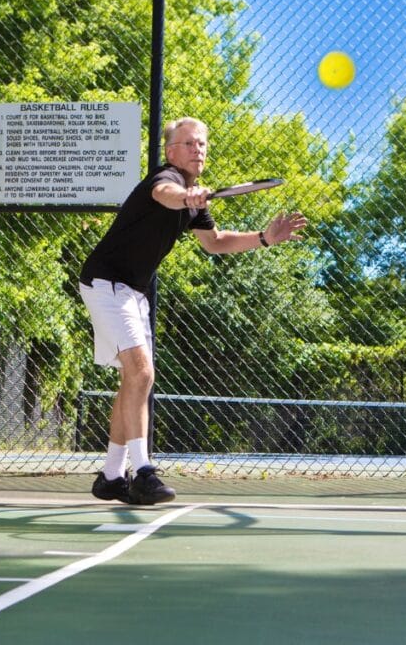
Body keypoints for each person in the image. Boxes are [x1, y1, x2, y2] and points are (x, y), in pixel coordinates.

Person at [78, 117, 307, 505]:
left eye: (201, 144)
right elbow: (164, 194)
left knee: (132, 380)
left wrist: (265, 238)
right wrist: (186, 196)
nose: (197, 149)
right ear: (171, 151)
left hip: (131, 292)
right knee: (142, 373)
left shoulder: (196, 201)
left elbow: (215, 243)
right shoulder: (166, 179)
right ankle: (144, 471)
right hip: (106, 283)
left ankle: (112, 476)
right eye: (188, 144)